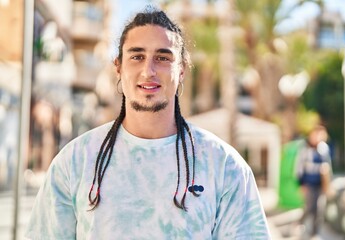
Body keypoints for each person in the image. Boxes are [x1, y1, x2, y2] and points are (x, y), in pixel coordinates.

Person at [25, 7, 270, 239]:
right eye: (137, 56)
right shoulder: (74, 161)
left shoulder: (225, 166)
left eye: (163, 57)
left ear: (182, 69)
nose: (148, 70)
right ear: (118, 67)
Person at [295, 124, 332, 237]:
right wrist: (301, 183)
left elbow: (328, 165)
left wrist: (328, 182)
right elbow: (299, 167)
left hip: (320, 183)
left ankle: (314, 233)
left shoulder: (324, 148)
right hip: (309, 183)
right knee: (310, 207)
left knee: (319, 208)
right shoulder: (305, 149)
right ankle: (300, 224)